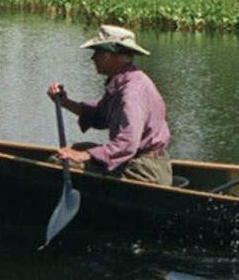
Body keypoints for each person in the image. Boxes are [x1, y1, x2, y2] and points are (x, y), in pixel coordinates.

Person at [47, 24, 173, 186]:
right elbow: (100, 116)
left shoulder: (131, 92)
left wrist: (84, 156)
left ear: (111, 55)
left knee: (61, 163)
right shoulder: (122, 81)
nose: (93, 58)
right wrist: (65, 102)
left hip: (145, 170)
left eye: (98, 53)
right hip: (141, 161)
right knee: (78, 148)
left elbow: (127, 144)